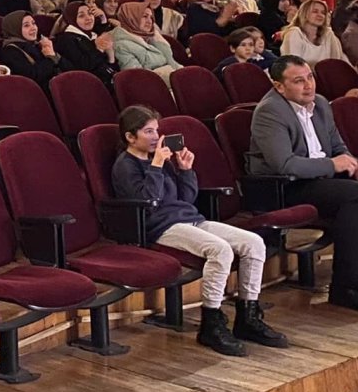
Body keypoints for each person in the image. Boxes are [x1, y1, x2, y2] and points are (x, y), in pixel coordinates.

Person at [247, 56, 358, 314]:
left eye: (310, 77)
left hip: (323, 178)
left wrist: (356, 165)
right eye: (298, 81)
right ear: (279, 86)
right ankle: (347, 288)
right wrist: (333, 165)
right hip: (285, 187)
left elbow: (338, 147)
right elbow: (285, 165)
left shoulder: (320, 104)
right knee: (357, 195)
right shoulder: (269, 112)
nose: (308, 85)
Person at [112, 106, 286, 355]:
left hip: (190, 218)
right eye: (148, 131)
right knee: (220, 250)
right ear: (130, 137)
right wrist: (157, 165)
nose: (156, 137)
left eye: (156, 131)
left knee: (254, 243)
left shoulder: (159, 160)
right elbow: (148, 202)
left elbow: (186, 199)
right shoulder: (125, 165)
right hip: (161, 227)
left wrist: (185, 171)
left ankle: (248, 315)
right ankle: (211, 322)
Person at [110, 1, 180, 84]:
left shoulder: (151, 38)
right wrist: (173, 76)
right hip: (154, 88)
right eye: (145, 16)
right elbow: (138, 78)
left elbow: (173, 64)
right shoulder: (122, 46)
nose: (149, 21)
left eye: (151, 18)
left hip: (171, 83)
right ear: (131, 18)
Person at [52, 2, 117, 83]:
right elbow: (83, 68)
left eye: (90, 13)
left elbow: (110, 69)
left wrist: (111, 56)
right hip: (88, 85)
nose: (88, 18)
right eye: (81, 16)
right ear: (72, 19)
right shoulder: (66, 40)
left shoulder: (93, 35)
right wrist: (98, 49)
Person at [0, 11, 62, 89]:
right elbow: (32, 76)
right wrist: (50, 58)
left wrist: (53, 54)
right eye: (26, 25)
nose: (33, 28)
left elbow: (69, 68)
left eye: (33, 23)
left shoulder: (37, 44)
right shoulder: (10, 51)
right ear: (14, 28)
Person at [280, 0, 348, 67]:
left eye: (323, 13)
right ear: (304, 13)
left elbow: (338, 61)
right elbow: (293, 65)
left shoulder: (328, 34)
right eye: (315, 11)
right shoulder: (294, 33)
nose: (320, 15)